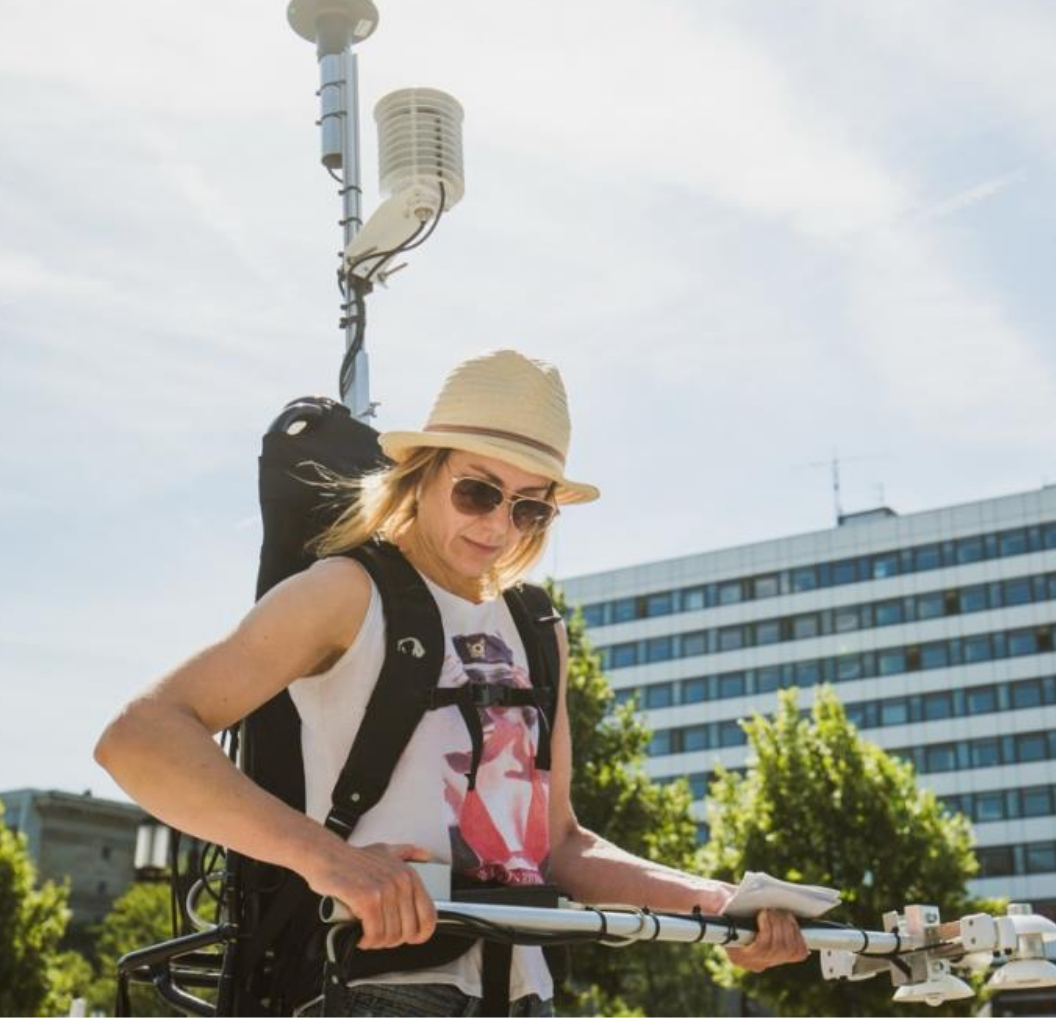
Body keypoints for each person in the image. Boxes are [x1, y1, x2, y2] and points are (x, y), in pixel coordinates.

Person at [95, 350, 807, 1016]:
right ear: (424, 472)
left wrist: (716, 902)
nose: (500, 525)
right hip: (388, 994)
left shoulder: (538, 627)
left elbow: (560, 844)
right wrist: (333, 862)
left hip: (527, 994)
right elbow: (138, 738)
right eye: (477, 491)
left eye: (529, 507)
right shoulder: (345, 591)